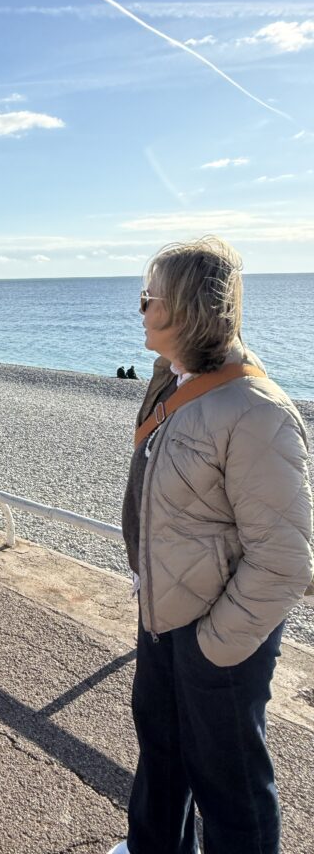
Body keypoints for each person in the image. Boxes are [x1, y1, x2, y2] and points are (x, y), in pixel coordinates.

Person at [107, 237, 313, 854]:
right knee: (162, 754)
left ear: (188, 309)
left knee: (230, 786)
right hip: (163, 612)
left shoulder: (257, 412)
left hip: (218, 634)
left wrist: (212, 647)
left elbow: (285, 561)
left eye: (149, 298)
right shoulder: (171, 379)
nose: (140, 309)